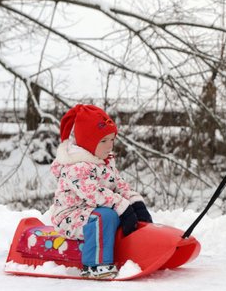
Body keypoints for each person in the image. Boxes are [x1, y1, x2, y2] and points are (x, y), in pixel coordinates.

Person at [48, 103, 152, 279]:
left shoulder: (104, 161)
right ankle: (95, 265)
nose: (109, 146)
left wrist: (135, 203)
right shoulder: (77, 167)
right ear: (88, 142)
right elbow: (93, 193)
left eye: (112, 139)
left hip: (91, 209)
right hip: (69, 215)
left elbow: (119, 184)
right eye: (103, 141)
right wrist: (122, 207)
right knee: (105, 216)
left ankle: (135, 251)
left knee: (118, 214)